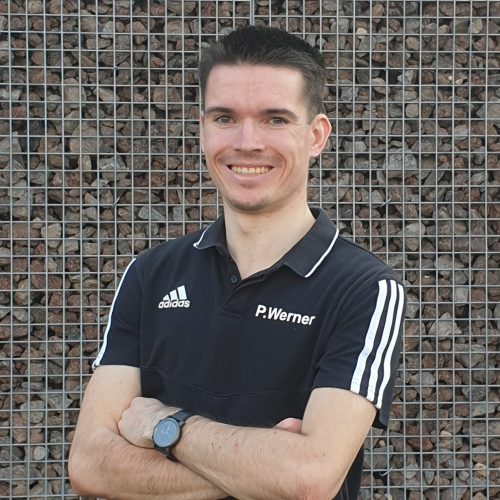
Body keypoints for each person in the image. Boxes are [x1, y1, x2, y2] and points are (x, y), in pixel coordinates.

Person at [69, 26, 405, 500]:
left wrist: (168, 427)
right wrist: (264, 468)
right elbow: (90, 465)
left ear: (316, 136)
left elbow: (309, 478)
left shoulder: (362, 288)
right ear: (203, 130)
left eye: (274, 119)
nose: (247, 142)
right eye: (225, 118)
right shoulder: (150, 275)